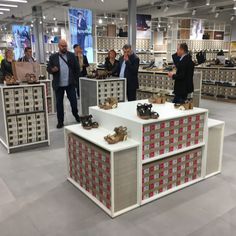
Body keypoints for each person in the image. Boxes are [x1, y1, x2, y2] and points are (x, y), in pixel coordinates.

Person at [47, 39, 81, 129]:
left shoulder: (71, 56)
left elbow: (77, 69)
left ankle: (76, 115)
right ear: (58, 46)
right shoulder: (53, 57)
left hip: (70, 84)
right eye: (62, 46)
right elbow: (48, 68)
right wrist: (52, 70)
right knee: (59, 104)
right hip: (58, 85)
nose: (64, 47)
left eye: (65, 46)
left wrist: (75, 80)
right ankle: (60, 121)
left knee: (74, 102)